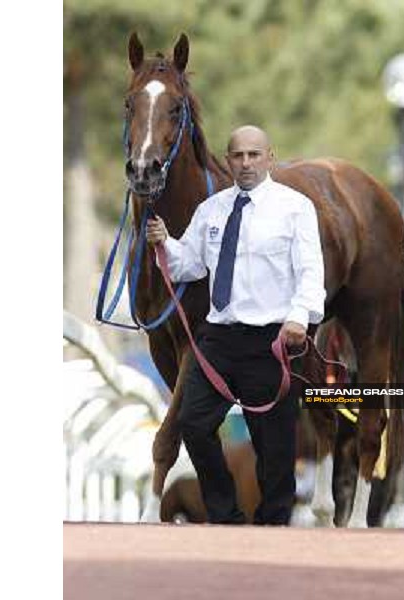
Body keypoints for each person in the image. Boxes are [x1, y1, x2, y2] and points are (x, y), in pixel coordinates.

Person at [145, 125, 325, 525]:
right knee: (192, 423)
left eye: (254, 155)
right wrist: (163, 243)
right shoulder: (211, 209)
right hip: (219, 339)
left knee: (274, 444)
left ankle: (273, 523)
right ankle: (225, 515)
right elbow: (186, 265)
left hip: (272, 338)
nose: (245, 163)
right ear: (228, 160)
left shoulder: (295, 208)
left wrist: (298, 318)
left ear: (270, 157)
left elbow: (312, 272)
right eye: (238, 155)